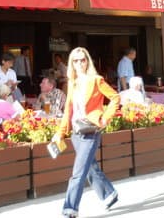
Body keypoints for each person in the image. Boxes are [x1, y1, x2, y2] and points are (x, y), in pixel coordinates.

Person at [51, 47, 120, 218]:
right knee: (90, 167)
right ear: (71, 64)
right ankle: (109, 194)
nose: (80, 63)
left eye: (83, 60)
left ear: (87, 61)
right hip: (76, 132)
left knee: (78, 172)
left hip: (91, 130)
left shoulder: (96, 80)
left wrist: (105, 118)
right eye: (76, 60)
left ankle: (70, 208)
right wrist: (60, 133)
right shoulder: (72, 84)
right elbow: (68, 110)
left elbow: (115, 97)